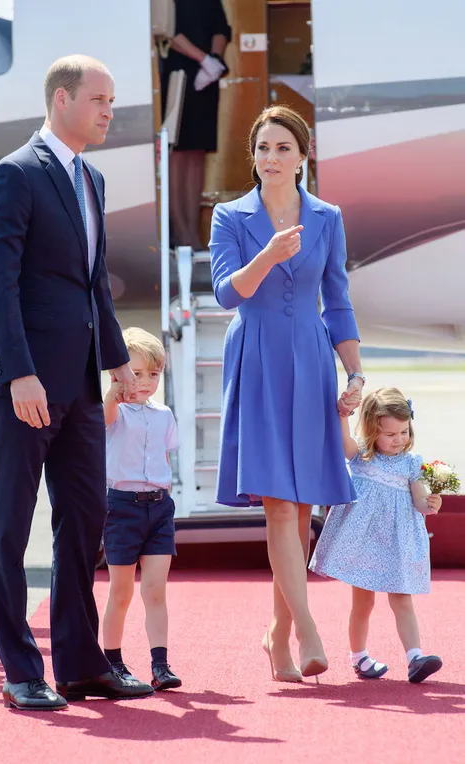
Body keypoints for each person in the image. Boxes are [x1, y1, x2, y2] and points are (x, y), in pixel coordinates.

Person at [0, 54, 153, 711]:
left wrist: (117, 360)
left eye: (112, 100)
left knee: (84, 521)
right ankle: (21, 670)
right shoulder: (15, 174)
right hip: (25, 386)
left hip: (80, 386)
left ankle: (80, 666)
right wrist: (19, 372)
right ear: (62, 100)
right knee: (10, 527)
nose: (110, 111)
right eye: (100, 99)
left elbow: (93, 281)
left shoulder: (92, 178)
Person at [209, 105, 365, 681]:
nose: (270, 158)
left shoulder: (328, 216)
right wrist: (268, 255)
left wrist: (354, 374)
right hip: (256, 359)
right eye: (262, 148)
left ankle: (276, 636)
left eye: (282, 148)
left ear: (303, 156)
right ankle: (307, 630)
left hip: (311, 359)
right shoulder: (230, 215)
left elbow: (338, 301)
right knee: (278, 502)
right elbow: (227, 293)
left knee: (300, 511)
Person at [309, 388, 444, 683]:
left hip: (397, 543)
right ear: (372, 430)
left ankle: (415, 658)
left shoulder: (412, 463)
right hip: (365, 543)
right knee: (363, 603)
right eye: (390, 434)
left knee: (402, 598)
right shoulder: (361, 455)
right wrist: (343, 415)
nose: (399, 440)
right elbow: (343, 442)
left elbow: (419, 501)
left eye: (404, 432)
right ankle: (359, 657)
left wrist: (430, 504)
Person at [103, 327, 182, 691]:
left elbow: (163, 456)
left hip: (159, 508)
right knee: (120, 592)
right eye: (136, 373)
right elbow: (104, 418)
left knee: (155, 590)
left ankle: (160, 664)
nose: (146, 382)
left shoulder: (163, 414)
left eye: (154, 373)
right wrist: (114, 392)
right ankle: (113, 662)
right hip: (121, 508)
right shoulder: (114, 412)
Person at [161, 0, 231, 250]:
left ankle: (193, 229)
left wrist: (214, 61)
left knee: (196, 152)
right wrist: (203, 59)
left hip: (206, 78)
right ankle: (180, 231)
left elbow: (222, 28)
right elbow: (167, 31)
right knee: (176, 152)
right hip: (176, 73)